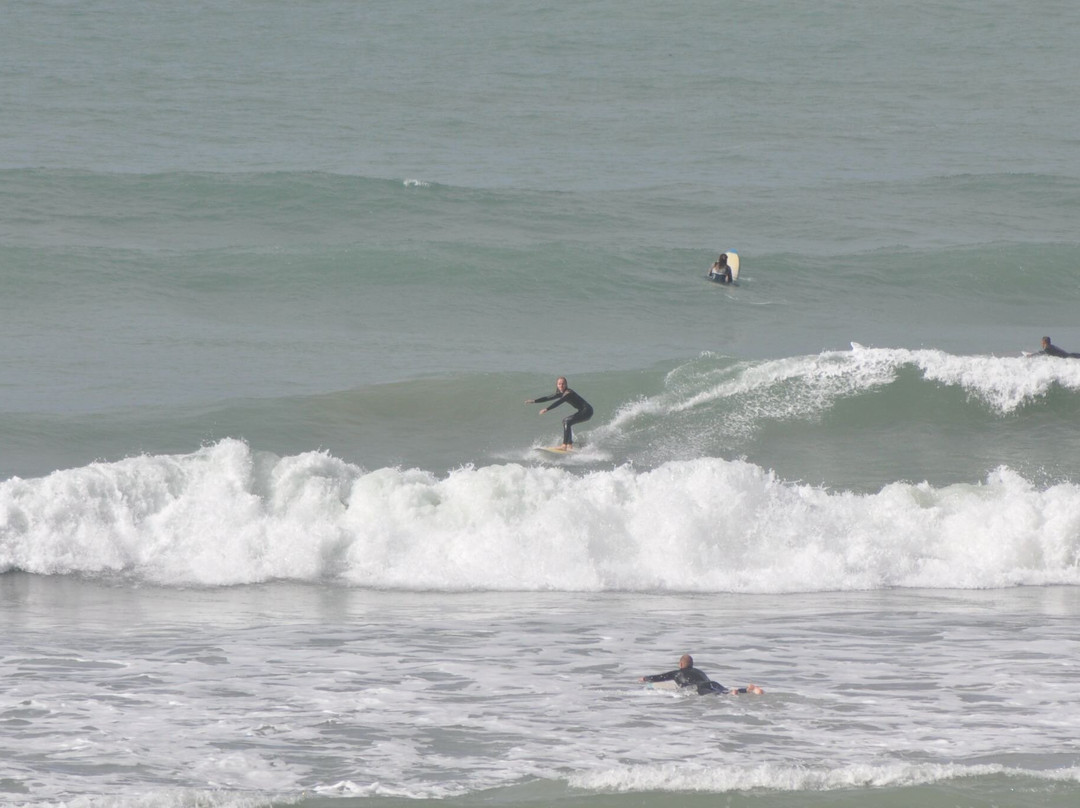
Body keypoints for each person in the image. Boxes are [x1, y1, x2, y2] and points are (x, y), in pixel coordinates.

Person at [639, 654, 764, 696]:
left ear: (681, 664)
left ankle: (734, 693)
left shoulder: (677, 673)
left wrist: (645, 678)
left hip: (698, 688)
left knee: (721, 695)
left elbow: (661, 677)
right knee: (724, 690)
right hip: (712, 683)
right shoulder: (700, 672)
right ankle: (748, 690)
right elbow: (708, 681)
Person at [525, 376, 593, 451]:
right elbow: (547, 398)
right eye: (559, 384)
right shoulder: (560, 393)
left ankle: (564, 445)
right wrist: (534, 401)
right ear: (557, 385)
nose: (561, 385)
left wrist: (547, 409)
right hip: (583, 411)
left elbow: (559, 402)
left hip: (587, 411)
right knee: (567, 422)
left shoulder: (568, 393)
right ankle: (569, 444)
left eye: (563, 384)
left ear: (566, 384)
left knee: (566, 421)